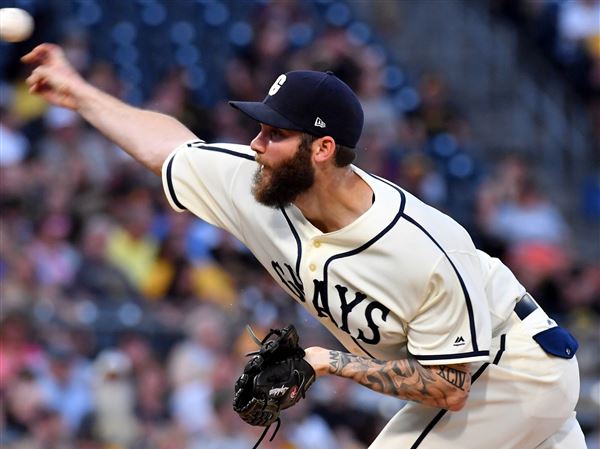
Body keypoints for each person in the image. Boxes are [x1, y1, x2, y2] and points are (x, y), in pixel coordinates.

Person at [22, 43, 586, 449]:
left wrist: (324, 360)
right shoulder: (257, 183)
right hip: (502, 381)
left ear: (321, 149)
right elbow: (170, 148)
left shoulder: (426, 249)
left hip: (510, 371)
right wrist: (80, 94)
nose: (256, 142)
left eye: (275, 133)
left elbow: (449, 387)